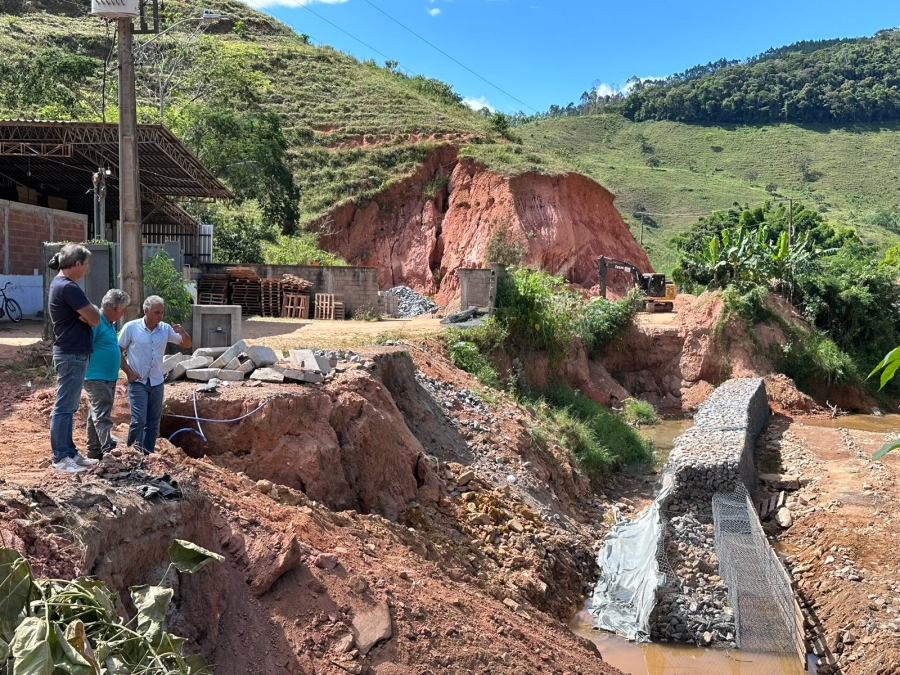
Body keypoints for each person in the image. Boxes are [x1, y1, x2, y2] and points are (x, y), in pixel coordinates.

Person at [47, 244, 101, 473]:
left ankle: (69, 452)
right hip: (71, 354)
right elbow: (95, 318)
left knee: (69, 406)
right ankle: (60, 457)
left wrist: (89, 314)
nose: (87, 269)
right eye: (86, 264)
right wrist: (89, 314)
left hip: (73, 353)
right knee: (64, 407)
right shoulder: (68, 287)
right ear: (77, 264)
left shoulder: (63, 285)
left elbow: (92, 316)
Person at [118, 295, 192, 453]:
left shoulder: (165, 328)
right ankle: (132, 453)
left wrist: (183, 333)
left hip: (156, 382)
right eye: (157, 312)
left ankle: (148, 454)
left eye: (162, 312)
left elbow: (186, 344)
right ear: (145, 311)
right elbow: (117, 350)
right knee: (139, 420)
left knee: (153, 422)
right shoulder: (131, 328)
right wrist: (128, 372)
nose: (160, 316)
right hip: (138, 381)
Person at [83, 289, 131, 460]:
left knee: (95, 414)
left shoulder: (109, 323)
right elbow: (85, 346)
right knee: (102, 414)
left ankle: (94, 451)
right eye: (123, 309)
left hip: (107, 378)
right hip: (96, 377)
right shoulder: (97, 322)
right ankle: (109, 451)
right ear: (116, 308)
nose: (123, 313)